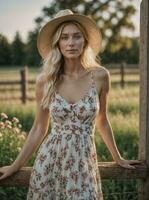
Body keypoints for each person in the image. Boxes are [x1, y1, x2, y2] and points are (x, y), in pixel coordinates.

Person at [0, 9, 141, 200]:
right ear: (57, 43)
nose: (71, 43)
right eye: (64, 37)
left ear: (85, 41)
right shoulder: (45, 80)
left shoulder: (100, 76)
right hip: (50, 162)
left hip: (83, 164)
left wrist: (118, 158)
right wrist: (15, 166)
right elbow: (39, 128)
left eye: (76, 37)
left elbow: (103, 121)